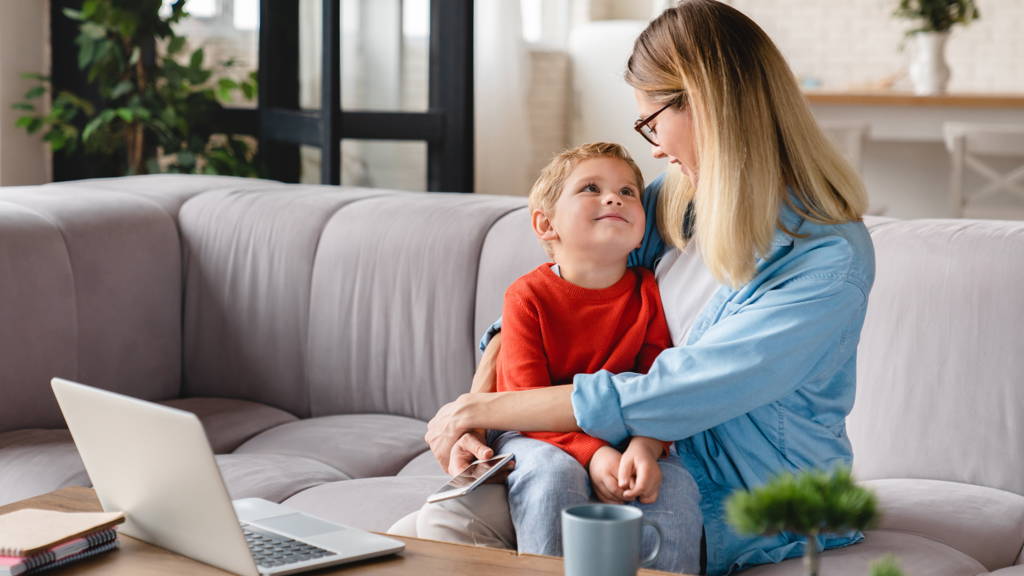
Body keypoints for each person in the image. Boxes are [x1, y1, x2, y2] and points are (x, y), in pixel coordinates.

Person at [419, 1, 875, 574]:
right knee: (439, 526)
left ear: (707, 104)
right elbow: (559, 293)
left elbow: (677, 390)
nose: (654, 148)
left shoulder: (825, 260)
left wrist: (489, 407)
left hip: (734, 497)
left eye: (651, 124)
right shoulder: (678, 200)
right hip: (620, 456)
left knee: (452, 536)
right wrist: (475, 413)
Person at [480, 141, 700, 573]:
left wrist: (647, 447)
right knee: (552, 477)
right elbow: (525, 403)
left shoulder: (649, 293)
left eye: (628, 191)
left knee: (674, 486)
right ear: (546, 224)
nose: (613, 197)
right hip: (533, 437)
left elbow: (660, 385)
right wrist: (595, 454)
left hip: (627, 437)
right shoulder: (526, 297)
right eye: (591, 189)